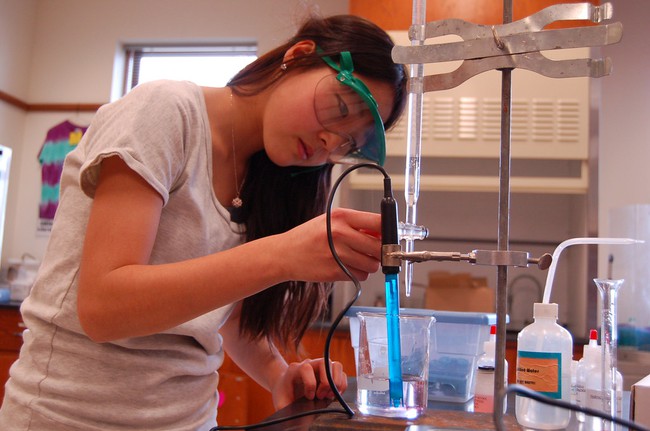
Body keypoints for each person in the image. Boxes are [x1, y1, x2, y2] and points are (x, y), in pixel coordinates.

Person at [0, 13, 407, 431]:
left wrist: (278, 373)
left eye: (349, 143)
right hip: (66, 418)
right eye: (340, 107)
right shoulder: (165, 112)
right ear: (300, 56)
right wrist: (281, 255)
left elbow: (220, 312)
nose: (329, 141)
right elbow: (103, 309)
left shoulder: (269, 178)